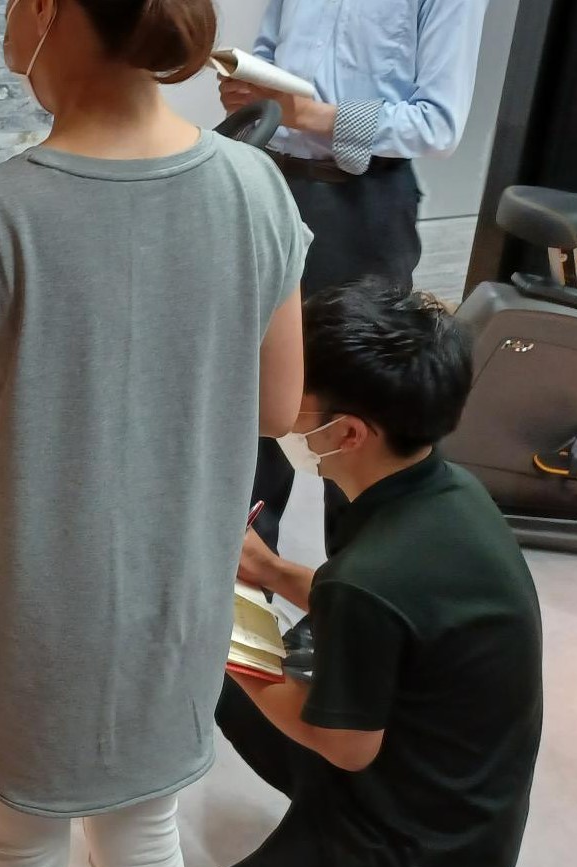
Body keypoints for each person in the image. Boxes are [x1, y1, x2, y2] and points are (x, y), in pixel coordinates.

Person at [0, 0, 309, 867]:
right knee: (146, 853)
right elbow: (279, 406)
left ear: (50, 12)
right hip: (172, 610)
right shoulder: (255, 189)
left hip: (20, 625)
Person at [185, 280, 542, 867]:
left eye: (297, 392)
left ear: (348, 432)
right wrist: (270, 571)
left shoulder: (371, 574)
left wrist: (229, 638)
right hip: (457, 806)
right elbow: (391, 615)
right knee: (230, 689)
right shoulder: (446, 494)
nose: (280, 401)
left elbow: (345, 744)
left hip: (408, 858)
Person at [219, 0, 491, 552]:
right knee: (258, 395)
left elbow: (438, 125)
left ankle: (354, 588)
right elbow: (270, 53)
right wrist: (247, 88)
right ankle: (245, 583)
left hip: (363, 201)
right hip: (272, 181)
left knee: (358, 407)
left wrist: (309, 114)